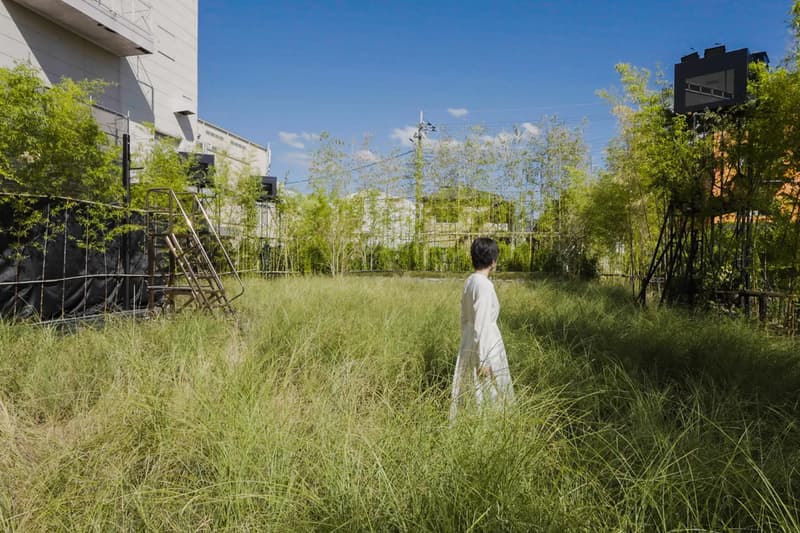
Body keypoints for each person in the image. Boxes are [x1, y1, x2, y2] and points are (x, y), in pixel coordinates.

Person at [449, 237, 514, 420]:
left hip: (470, 339)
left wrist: (467, 342)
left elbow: (465, 317)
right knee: (490, 388)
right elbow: (483, 322)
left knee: (470, 385)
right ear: (493, 261)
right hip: (485, 342)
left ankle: (468, 420)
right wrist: (484, 359)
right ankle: (490, 424)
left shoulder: (470, 281)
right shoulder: (484, 285)